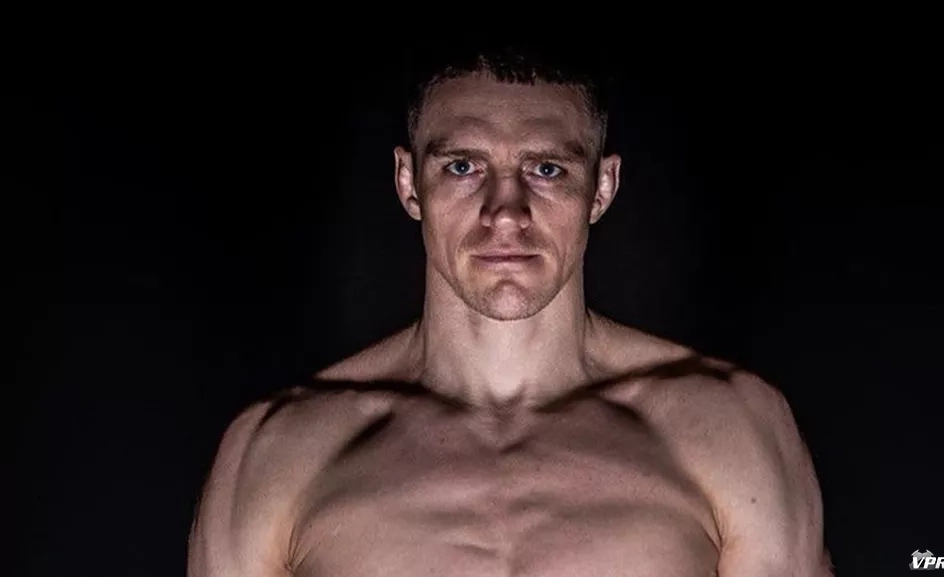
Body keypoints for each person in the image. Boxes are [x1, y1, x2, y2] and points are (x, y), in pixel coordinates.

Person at [187, 44, 833, 576]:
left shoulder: (731, 431)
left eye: (546, 169)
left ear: (601, 187)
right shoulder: (278, 455)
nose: (505, 213)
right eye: (462, 166)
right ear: (409, 183)